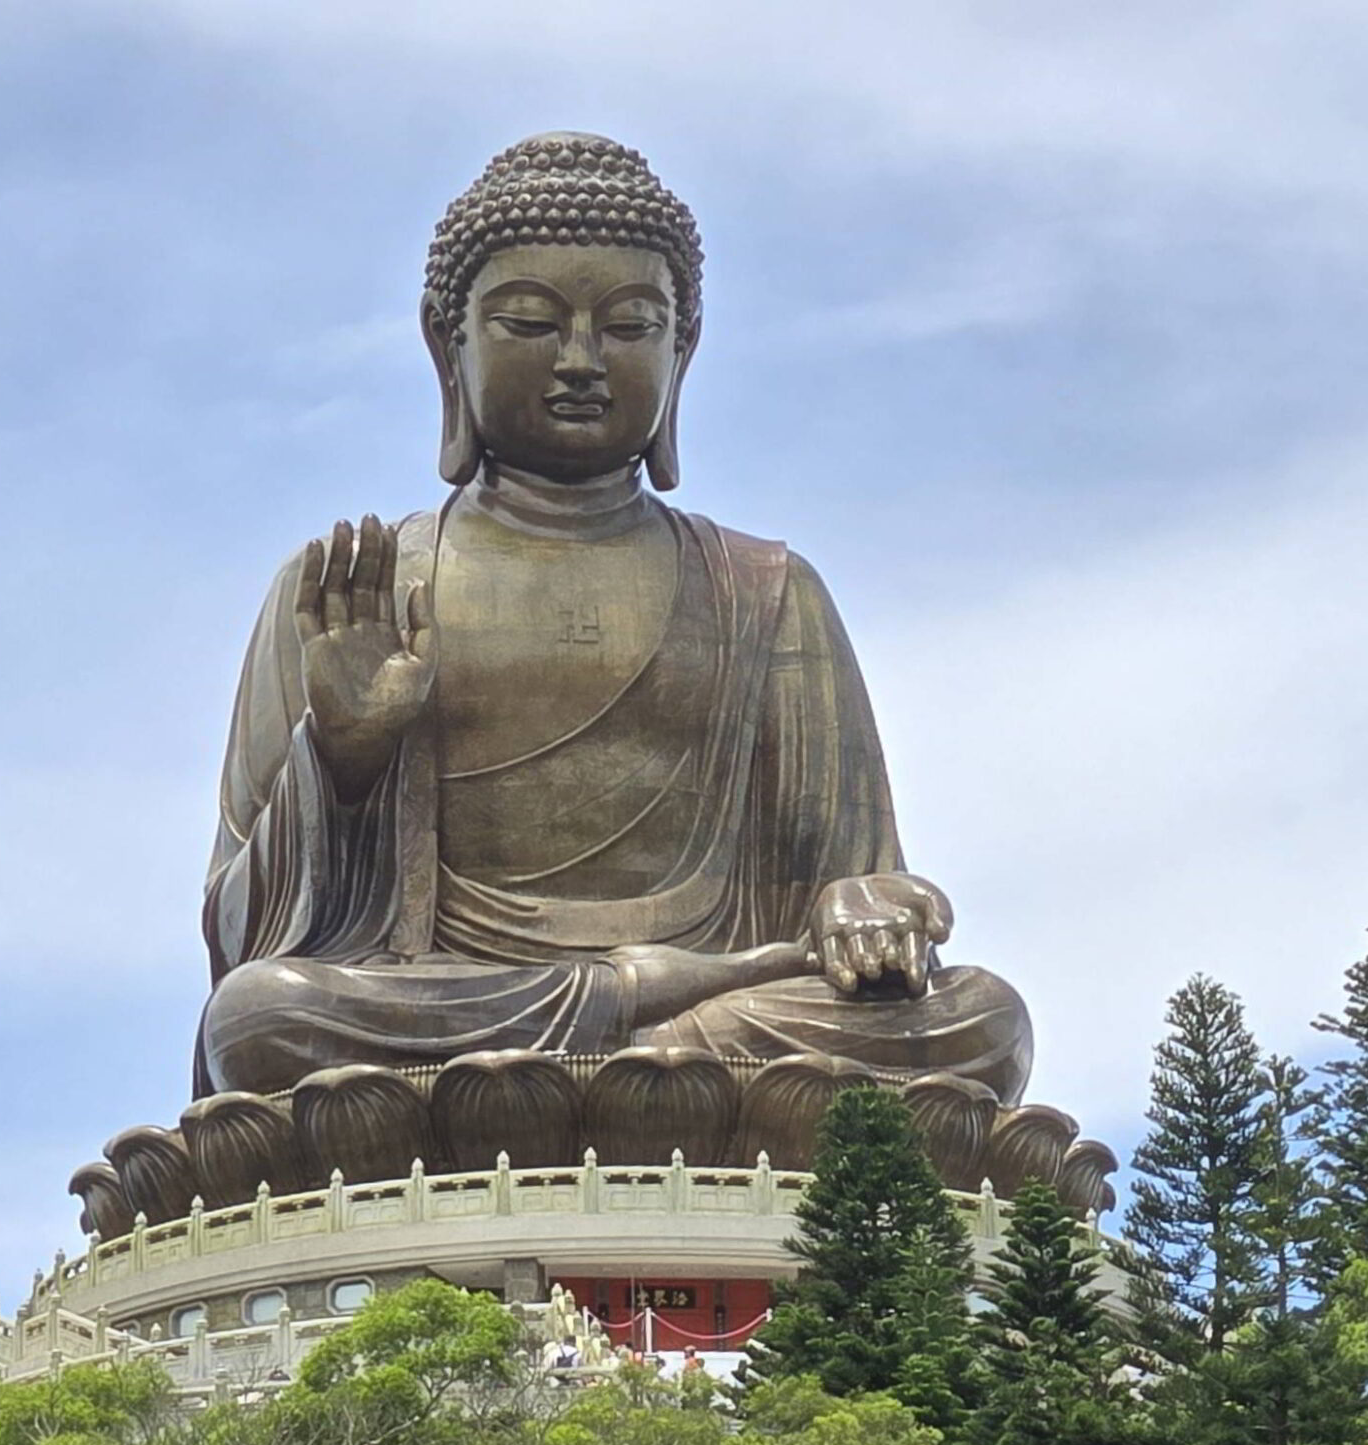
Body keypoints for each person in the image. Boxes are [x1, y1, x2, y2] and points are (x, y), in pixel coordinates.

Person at [193, 133, 1031, 1105]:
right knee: (264, 1017)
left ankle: (651, 1033)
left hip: (727, 1005)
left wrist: (863, 904)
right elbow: (236, 933)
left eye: (630, 327)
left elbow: (852, 883)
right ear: (445, 343)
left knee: (980, 1019)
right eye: (528, 323)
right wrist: (344, 760)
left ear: (685, 347)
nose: (582, 361)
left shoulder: (764, 589)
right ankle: (642, 1037)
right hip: (455, 1008)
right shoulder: (357, 587)